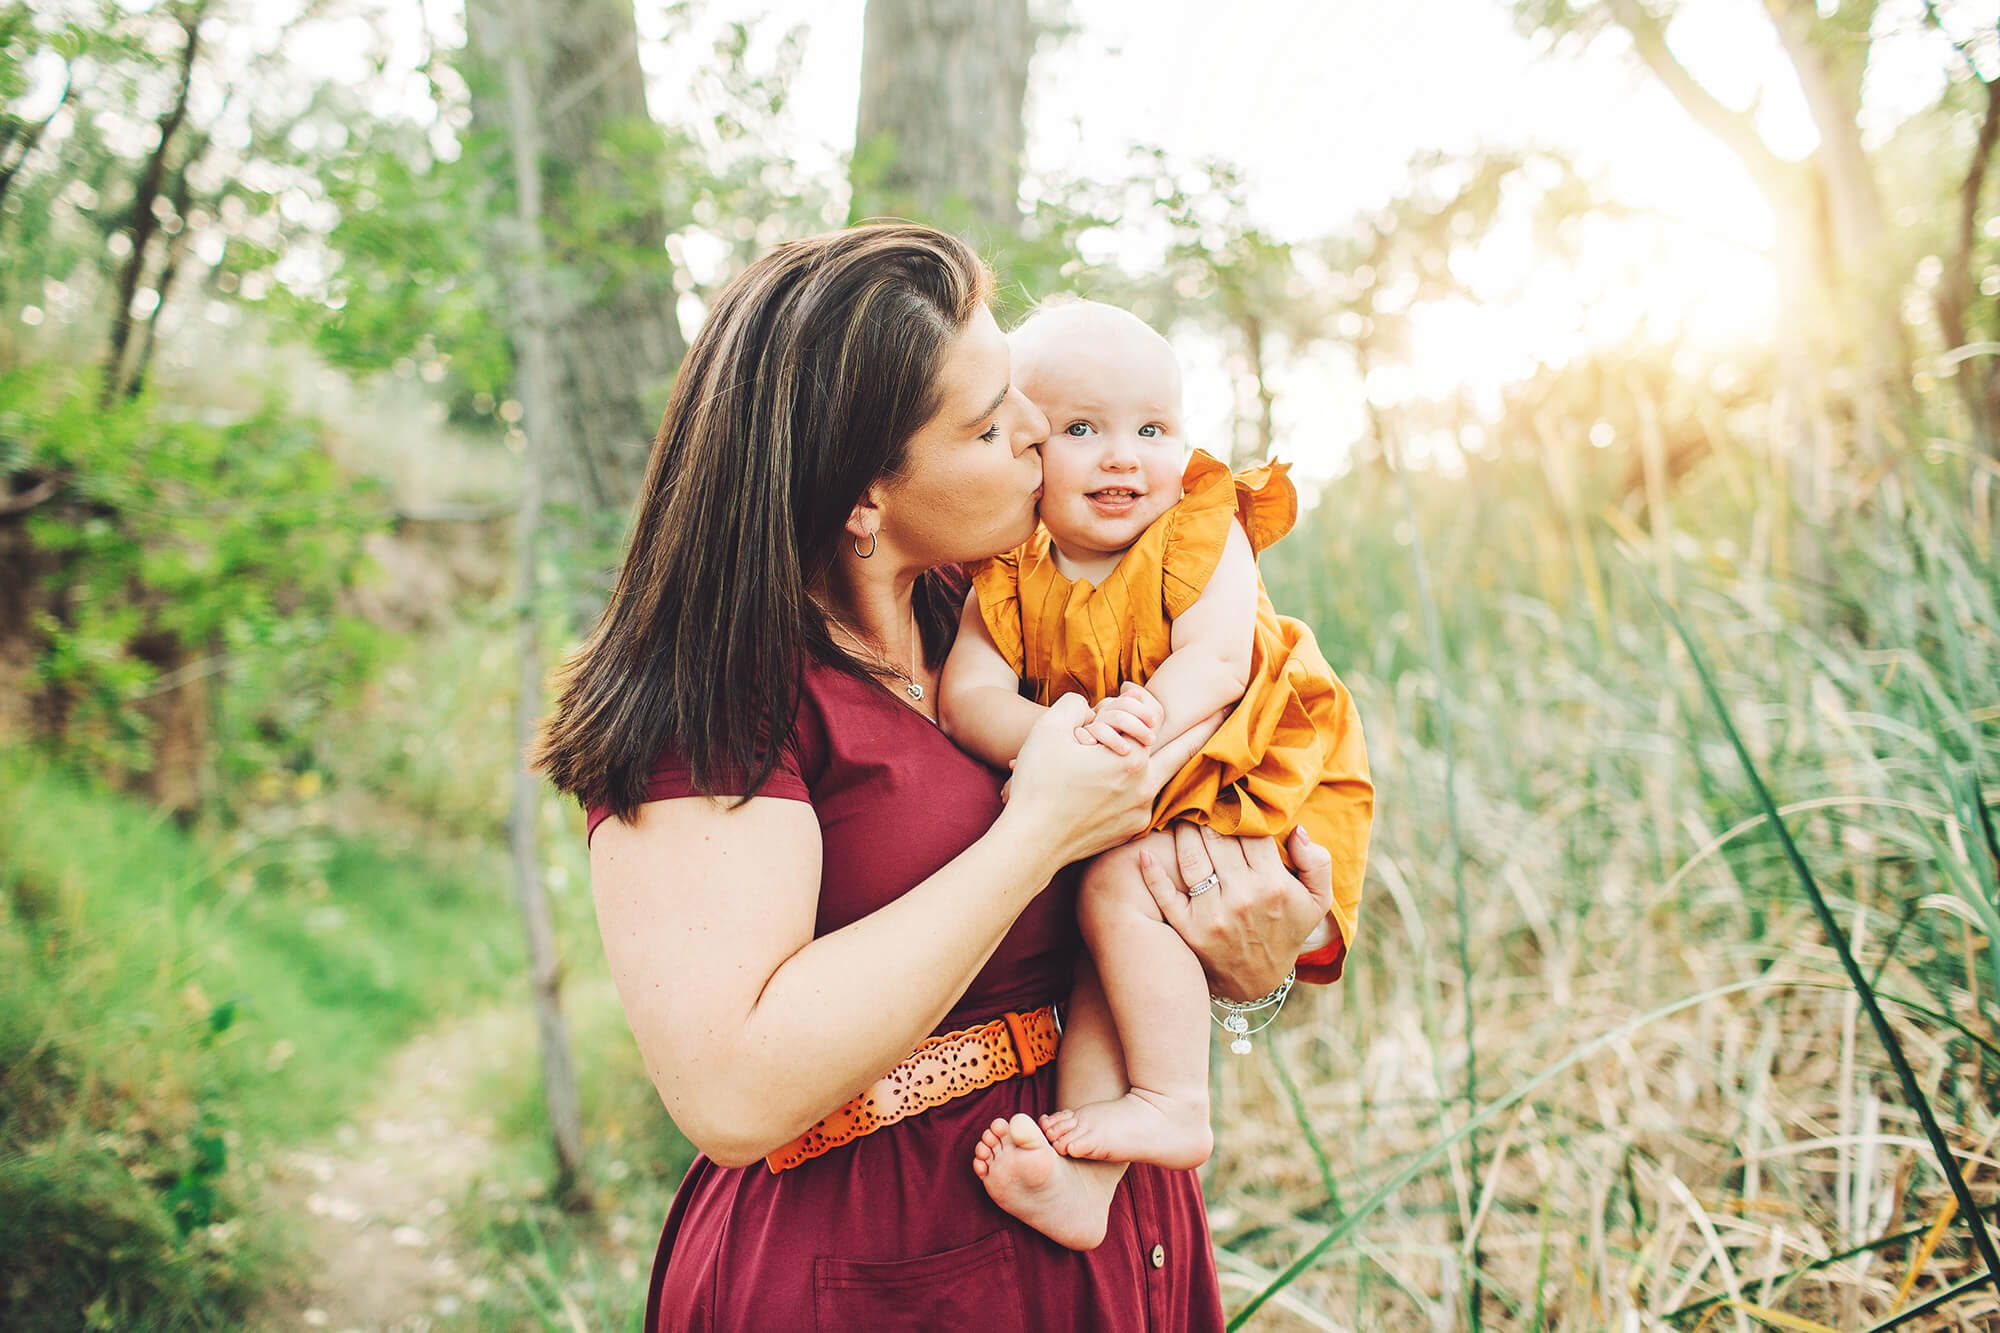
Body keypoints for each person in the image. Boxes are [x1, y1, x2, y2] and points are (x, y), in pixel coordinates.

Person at [534, 223, 1341, 1331]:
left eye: (1019, 392)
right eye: (987, 421)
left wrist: (1255, 967)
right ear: (862, 494)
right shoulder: (719, 699)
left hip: (1105, 1224)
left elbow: (1165, 865)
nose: (1035, 434)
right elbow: (729, 1090)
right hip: (879, 1265)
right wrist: (1033, 834)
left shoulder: (1006, 621)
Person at [938, 298, 1372, 1249]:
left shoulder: (1199, 529)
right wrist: (1047, 733)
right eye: (1081, 429)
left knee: (1119, 890)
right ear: (1023, 450)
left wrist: (1145, 718)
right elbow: (966, 693)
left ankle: (1175, 1098)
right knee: (1107, 918)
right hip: (1122, 772)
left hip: (1242, 749)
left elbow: (1217, 664)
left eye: (1152, 428)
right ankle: (1092, 1182)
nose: (1123, 455)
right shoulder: (1007, 568)